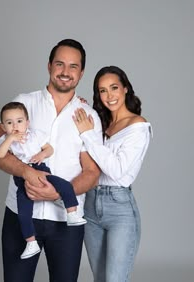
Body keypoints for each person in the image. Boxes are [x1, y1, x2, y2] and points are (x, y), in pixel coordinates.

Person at [0, 39, 102, 282]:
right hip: (20, 216)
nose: (65, 72)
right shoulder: (23, 103)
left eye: (73, 66)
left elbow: (92, 172)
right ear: (49, 66)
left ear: (81, 72)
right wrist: (26, 171)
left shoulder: (88, 115)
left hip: (66, 222)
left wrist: (58, 194)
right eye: (60, 64)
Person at [73, 65, 152, 282]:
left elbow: (116, 170)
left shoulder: (138, 126)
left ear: (126, 88)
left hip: (120, 209)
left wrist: (88, 135)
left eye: (114, 87)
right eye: (102, 90)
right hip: (89, 205)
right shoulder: (101, 123)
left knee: (114, 279)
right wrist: (78, 109)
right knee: (100, 278)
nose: (109, 95)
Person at [0, 101, 87, 260]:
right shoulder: (6, 140)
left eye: (19, 121)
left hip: (41, 169)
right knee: (24, 212)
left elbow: (49, 149)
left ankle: (72, 213)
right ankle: (31, 242)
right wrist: (10, 139)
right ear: (3, 127)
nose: (15, 126)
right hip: (22, 177)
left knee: (65, 186)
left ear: (27, 122)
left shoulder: (35, 135)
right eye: (9, 123)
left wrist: (42, 155)